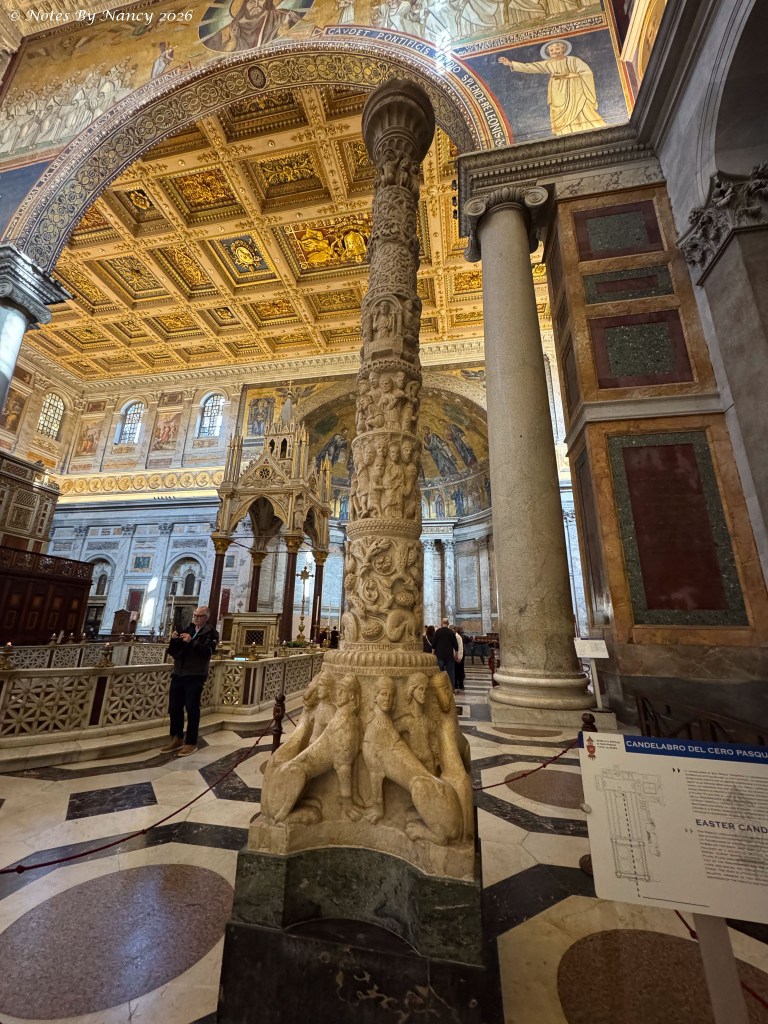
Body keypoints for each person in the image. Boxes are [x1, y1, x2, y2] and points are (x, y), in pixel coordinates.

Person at [498, 39, 606, 137]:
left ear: (563, 49)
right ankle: (564, 134)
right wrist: (511, 64)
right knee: (558, 111)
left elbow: (587, 72)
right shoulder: (548, 64)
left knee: (581, 111)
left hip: (574, 92)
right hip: (557, 92)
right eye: (551, 50)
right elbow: (531, 67)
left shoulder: (573, 60)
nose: (554, 52)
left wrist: (572, 75)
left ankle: (585, 130)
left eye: (557, 49)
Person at [162, 606, 218, 757]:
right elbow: (174, 652)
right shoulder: (187, 629)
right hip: (178, 673)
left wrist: (192, 641)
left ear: (206, 617)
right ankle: (176, 737)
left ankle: (191, 742)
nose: (196, 618)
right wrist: (174, 640)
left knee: (192, 709)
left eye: (199, 616)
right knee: (174, 708)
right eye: (195, 615)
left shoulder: (211, 633)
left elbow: (207, 652)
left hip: (195, 675)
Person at [432, 617, 458, 690]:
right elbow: (456, 646)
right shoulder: (451, 632)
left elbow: (433, 645)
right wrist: (456, 655)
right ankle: (452, 689)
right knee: (451, 674)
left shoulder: (437, 632)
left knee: (439, 673)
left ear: (441, 623)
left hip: (439, 655)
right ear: (448, 623)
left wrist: (432, 654)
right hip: (449, 656)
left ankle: (439, 689)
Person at [453, 625, 465, 692]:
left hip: (458, 657)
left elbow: (460, 648)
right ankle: (456, 685)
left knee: (459, 671)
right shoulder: (453, 636)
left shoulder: (458, 637)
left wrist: (459, 657)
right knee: (456, 671)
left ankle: (461, 685)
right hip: (455, 656)